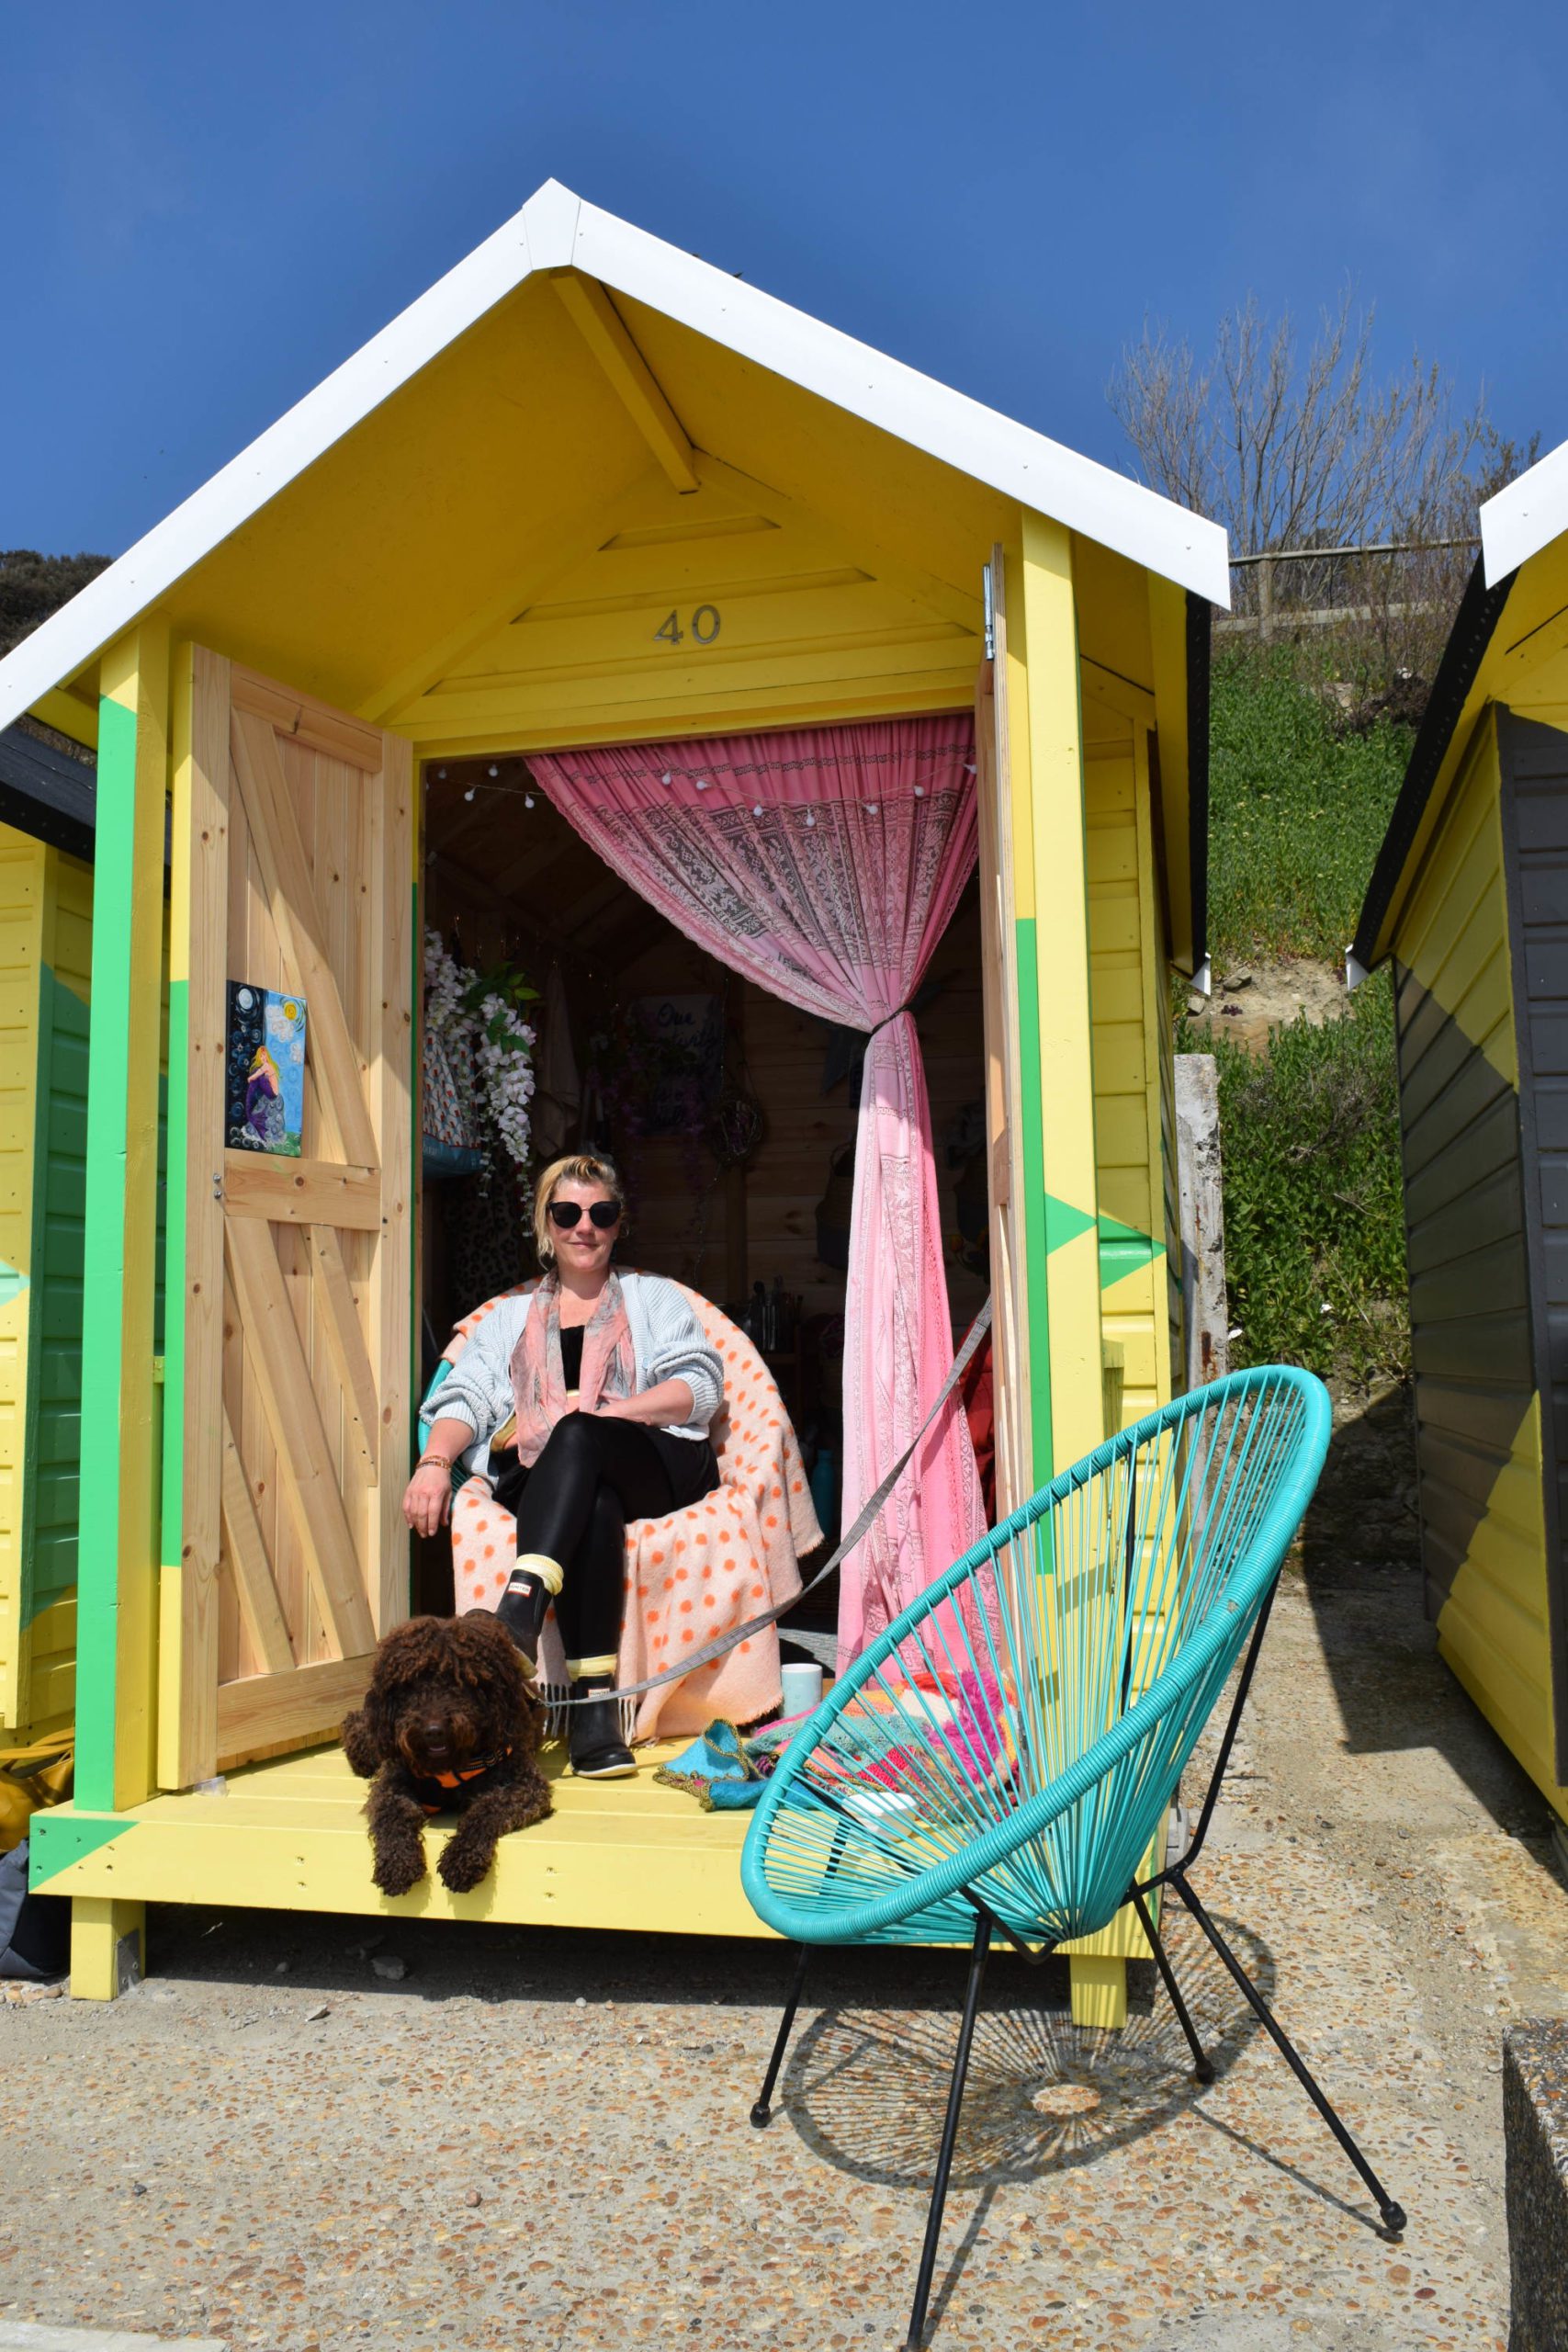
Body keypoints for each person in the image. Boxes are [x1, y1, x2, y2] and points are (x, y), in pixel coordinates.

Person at [404, 1153, 723, 1779]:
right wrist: (435, 1462)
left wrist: (606, 1415)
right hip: (557, 1480)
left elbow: (698, 1386)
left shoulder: (653, 1298)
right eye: (567, 1213)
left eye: (600, 1214)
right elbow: (462, 1398)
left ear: (617, 1223)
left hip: (650, 1464)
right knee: (591, 1500)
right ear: (544, 1224)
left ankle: (518, 1604)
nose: (585, 1227)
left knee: (581, 1433)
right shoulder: (508, 1319)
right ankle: (594, 1718)